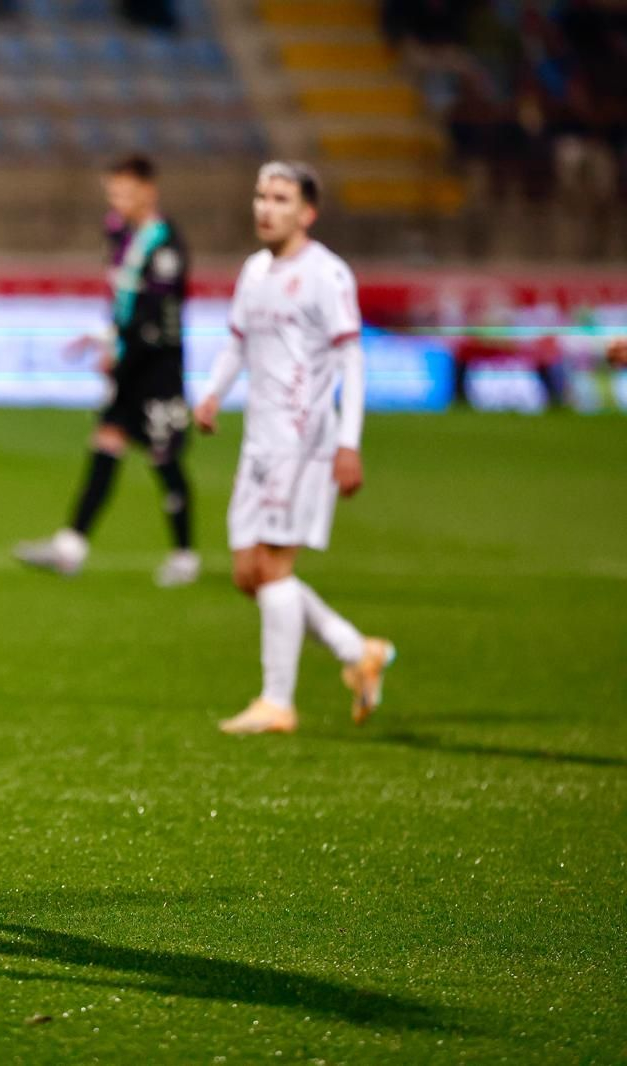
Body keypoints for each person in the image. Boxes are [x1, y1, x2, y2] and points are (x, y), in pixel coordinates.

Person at [193, 161, 394, 735]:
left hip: (305, 439)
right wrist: (211, 394)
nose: (265, 207)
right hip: (260, 441)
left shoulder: (327, 275)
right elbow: (236, 341)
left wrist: (348, 444)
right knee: (247, 574)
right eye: (260, 195)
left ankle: (277, 703)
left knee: (275, 567)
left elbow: (351, 359)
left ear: (307, 212)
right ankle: (357, 649)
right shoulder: (255, 270)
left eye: (280, 199)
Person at [15, 155, 199, 586]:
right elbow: (125, 304)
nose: (116, 201)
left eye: (124, 193)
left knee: (164, 455)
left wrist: (118, 351)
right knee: (106, 442)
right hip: (129, 359)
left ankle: (185, 555)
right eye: (112, 192)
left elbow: (156, 318)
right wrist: (105, 338)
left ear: (148, 192)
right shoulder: (120, 233)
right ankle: (71, 546)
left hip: (157, 366)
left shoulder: (166, 245)